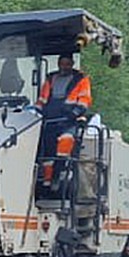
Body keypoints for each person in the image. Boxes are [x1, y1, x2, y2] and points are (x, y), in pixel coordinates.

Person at [34, 52, 93, 189]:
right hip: (50, 121)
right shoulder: (51, 79)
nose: (64, 67)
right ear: (58, 64)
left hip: (69, 121)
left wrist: (75, 113)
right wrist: (35, 112)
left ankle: (58, 174)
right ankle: (47, 181)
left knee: (65, 141)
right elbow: (42, 100)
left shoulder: (81, 79)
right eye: (62, 64)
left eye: (67, 64)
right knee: (47, 150)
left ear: (72, 64)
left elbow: (85, 99)